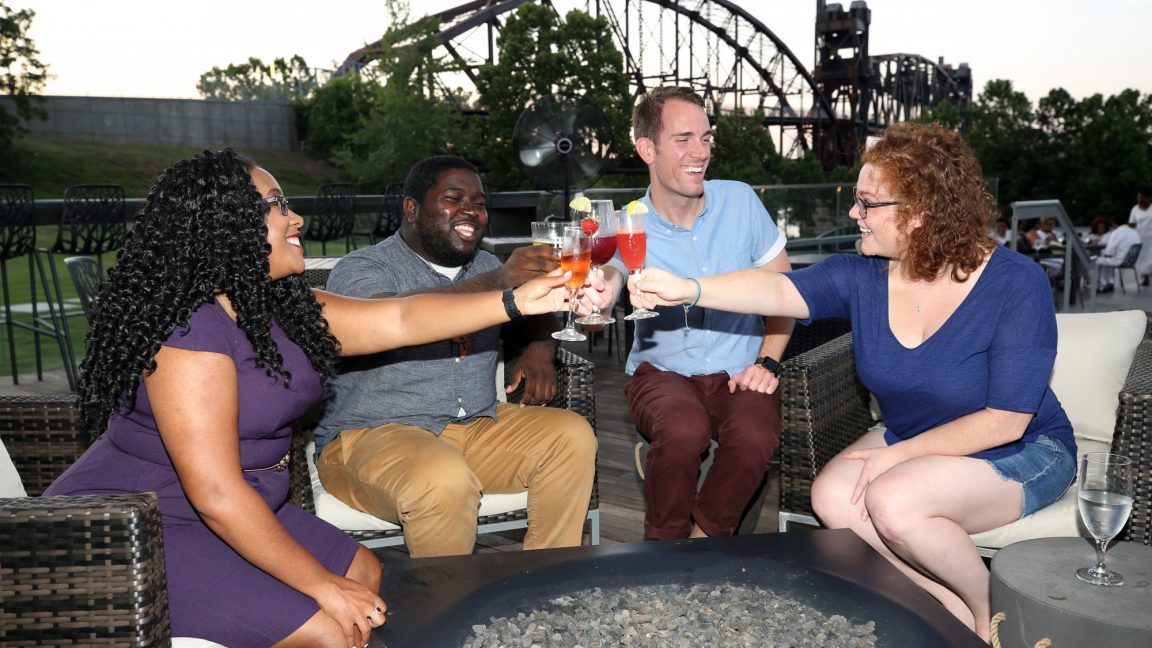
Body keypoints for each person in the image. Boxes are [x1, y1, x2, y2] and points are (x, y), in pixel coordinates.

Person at [43, 149, 570, 647]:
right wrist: (320, 585)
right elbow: (216, 494)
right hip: (143, 524)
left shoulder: (279, 306)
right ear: (225, 226)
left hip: (245, 502)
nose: (296, 218)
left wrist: (516, 301)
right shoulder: (189, 331)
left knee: (366, 573)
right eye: (276, 205)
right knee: (332, 626)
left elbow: (402, 317)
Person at [626, 121, 1076, 642]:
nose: (853, 214)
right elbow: (775, 291)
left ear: (919, 212)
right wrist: (689, 288)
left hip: (1021, 449)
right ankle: (945, 600)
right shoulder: (864, 275)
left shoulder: (1016, 282)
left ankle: (992, 614)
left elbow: (1007, 418)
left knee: (893, 501)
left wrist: (896, 458)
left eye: (867, 204)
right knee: (833, 499)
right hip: (916, 437)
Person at [312, 155, 597, 558]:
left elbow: (535, 312)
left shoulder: (485, 264)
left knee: (571, 436)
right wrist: (499, 284)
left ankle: (545, 580)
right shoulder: (362, 269)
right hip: (372, 436)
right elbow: (390, 314)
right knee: (442, 476)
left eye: (479, 203)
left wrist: (539, 349)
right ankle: (447, 607)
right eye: (453, 198)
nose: (471, 211)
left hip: (474, 427)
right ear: (412, 208)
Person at [582, 86, 793, 541]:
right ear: (646, 150)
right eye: (683, 139)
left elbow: (786, 292)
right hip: (662, 373)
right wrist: (603, 291)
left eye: (706, 137)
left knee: (755, 434)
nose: (700, 152)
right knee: (682, 428)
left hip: (740, 370)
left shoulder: (740, 201)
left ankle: (702, 538)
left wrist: (767, 361)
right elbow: (614, 273)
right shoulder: (627, 221)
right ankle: (664, 543)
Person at [1095, 214, 1141, 292]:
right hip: (1131, 261)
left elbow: (1109, 252)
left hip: (1120, 261)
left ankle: (1100, 285)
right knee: (1107, 260)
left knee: (1094, 261)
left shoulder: (1117, 232)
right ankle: (1109, 282)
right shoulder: (1135, 232)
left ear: (1115, 224)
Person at [1129, 191, 1152, 284]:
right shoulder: (1135, 209)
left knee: (1150, 257)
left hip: (1151, 237)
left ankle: (1148, 274)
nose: (1139, 200)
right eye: (1138, 198)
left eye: (1141, 198)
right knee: (1141, 258)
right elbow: (1132, 223)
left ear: (1147, 198)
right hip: (1139, 237)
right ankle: (1144, 276)